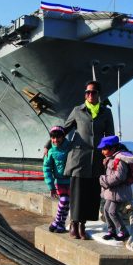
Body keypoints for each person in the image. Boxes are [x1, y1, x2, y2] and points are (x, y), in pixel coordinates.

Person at [45, 80, 115, 239]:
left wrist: (112, 155)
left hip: (96, 160)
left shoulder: (106, 113)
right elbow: (64, 129)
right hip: (78, 159)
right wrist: (48, 144)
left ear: (99, 94)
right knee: (76, 194)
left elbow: (109, 136)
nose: (90, 95)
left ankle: (82, 225)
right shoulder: (78, 110)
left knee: (91, 194)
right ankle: (74, 224)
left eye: (93, 92)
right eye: (87, 92)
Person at [97, 135, 133, 241]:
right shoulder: (111, 158)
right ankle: (111, 230)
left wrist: (103, 180)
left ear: (113, 149)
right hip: (112, 192)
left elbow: (119, 177)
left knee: (112, 211)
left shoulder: (120, 159)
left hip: (119, 192)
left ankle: (123, 231)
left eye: (104, 149)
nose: (102, 151)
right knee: (106, 210)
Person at [43, 126, 71, 233]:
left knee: (66, 203)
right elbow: (46, 169)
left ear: (63, 137)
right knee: (64, 201)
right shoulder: (50, 152)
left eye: (58, 137)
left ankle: (61, 224)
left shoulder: (70, 147)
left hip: (71, 181)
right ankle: (57, 221)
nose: (55, 140)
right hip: (60, 181)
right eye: (53, 138)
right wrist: (51, 186)